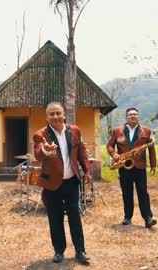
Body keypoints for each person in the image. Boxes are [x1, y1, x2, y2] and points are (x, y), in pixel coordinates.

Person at [33, 102, 92, 264]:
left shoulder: (74, 131)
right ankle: (59, 251)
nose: (55, 116)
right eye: (51, 114)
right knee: (55, 217)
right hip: (52, 184)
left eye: (58, 113)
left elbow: (81, 153)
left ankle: (80, 251)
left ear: (64, 114)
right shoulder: (41, 135)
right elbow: (38, 154)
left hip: (71, 182)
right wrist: (45, 150)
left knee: (75, 217)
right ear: (47, 117)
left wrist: (87, 171)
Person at [107, 107, 157, 228]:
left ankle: (148, 218)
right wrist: (114, 154)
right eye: (130, 114)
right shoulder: (117, 131)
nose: (133, 116)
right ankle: (127, 217)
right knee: (126, 192)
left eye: (135, 114)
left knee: (143, 192)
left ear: (138, 117)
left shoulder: (146, 131)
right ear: (126, 117)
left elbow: (151, 149)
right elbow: (110, 145)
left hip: (140, 166)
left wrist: (153, 165)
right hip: (124, 166)